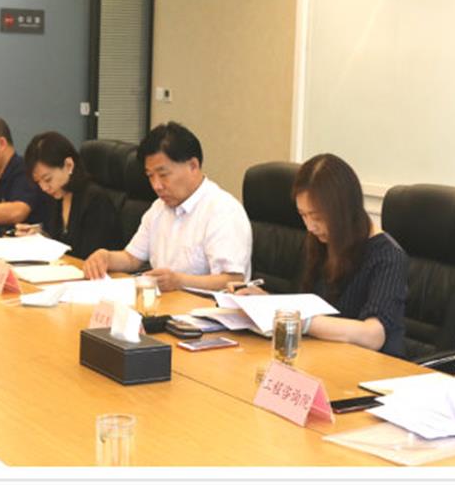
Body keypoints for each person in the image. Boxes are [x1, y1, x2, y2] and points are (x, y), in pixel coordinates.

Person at [240, 154, 408, 356]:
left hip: (368, 366)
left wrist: (304, 322)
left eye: (317, 217)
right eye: (303, 215)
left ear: (343, 211)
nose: (310, 226)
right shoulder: (320, 241)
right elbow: (305, 302)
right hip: (321, 354)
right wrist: (265, 302)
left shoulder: (388, 256)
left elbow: (373, 335)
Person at [82, 122, 251, 291]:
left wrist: (180, 281)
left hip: (204, 305)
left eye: (163, 175)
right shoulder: (159, 208)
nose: (156, 186)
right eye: (150, 176)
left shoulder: (223, 211)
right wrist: (106, 257)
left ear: (193, 166)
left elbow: (232, 280)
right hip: (164, 302)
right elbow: (132, 258)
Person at [22, 131, 119, 259]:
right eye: (38, 182)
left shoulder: (96, 200)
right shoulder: (55, 197)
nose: (44, 188)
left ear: (69, 165)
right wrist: (39, 235)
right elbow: (60, 242)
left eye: (47, 179)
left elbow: (88, 256)